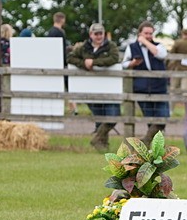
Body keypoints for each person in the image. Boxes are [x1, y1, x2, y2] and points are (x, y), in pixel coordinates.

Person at [67, 23, 122, 151]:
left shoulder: (110, 46)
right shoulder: (84, 47)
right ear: (91, 35)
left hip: (110, 88)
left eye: (100, 33)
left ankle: (97, 139)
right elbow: (70, 58)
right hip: (91, 87)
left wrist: (94, 63)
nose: (98, 36)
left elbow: (114, 58)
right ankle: (102, 146)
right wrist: (84, 64)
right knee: (100, 117)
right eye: (96, 34)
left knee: (113, 116)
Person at [122, 21, 169, 144]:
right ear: (140, 33)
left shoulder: (158, 45)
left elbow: (160, 55)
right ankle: (154, 147)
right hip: (141, 88)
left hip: (159, 87)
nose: (148, 35)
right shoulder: (132, 47)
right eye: (146, 33)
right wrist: (132, 64)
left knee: (163, 117)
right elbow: (124, 64)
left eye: (150, 33)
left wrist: (145, 42)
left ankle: (146, 141)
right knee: (150, 119)